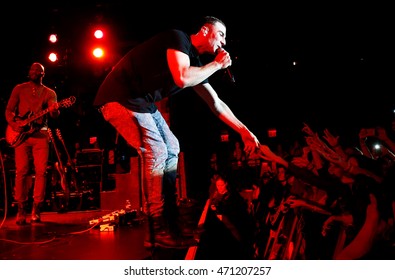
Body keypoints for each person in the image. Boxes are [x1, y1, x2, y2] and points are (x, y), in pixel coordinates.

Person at [93, 16, 260, 249]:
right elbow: (182, 78)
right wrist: (217, 65)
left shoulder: (193, 62)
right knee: (157, 151)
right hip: (120, 99)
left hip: (142, 103)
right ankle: (156, 227)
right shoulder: (177, 38)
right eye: (221, 34)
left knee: (172, 147)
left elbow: (216, 103)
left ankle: (170, 220)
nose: (224, 41)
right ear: (205, 30)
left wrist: (244, 131)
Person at [5, 62, 60, 225]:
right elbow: (9, 110)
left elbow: (54, 114)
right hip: (21, 135)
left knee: (41, 171)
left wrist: (55, 110)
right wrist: (14, 124)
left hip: (41, 135)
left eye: (38, 70)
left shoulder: (50, 93)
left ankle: (37, 208)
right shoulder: (19, 88)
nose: (34, 71)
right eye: (32, 69)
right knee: (21, 171)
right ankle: (21, 209)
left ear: (43, 74)